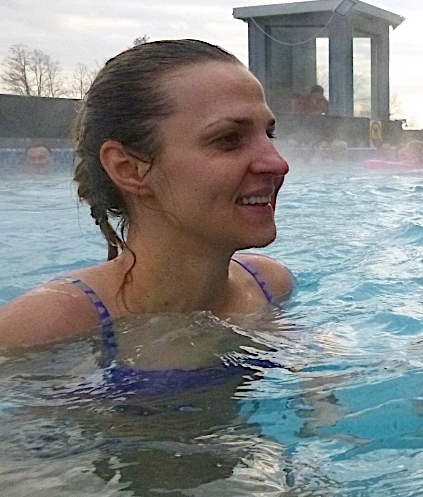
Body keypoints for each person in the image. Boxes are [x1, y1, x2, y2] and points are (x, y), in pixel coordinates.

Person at [0, 39, 292, 357]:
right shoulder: (40, 330)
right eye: (228, 139)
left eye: (269, 134)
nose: (278, 164)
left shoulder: (269, 286)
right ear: (129, 169)